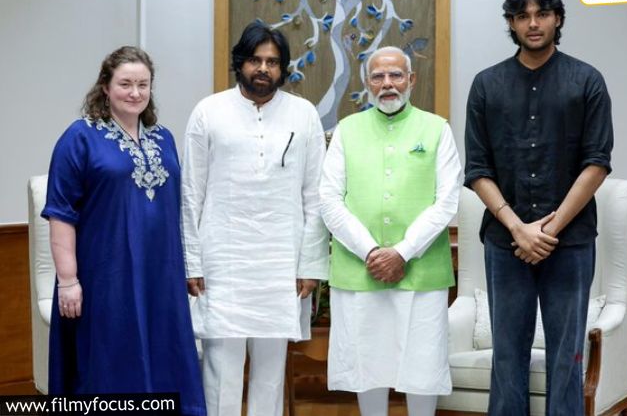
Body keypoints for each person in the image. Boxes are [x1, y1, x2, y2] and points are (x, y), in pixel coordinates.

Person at [464, 0, 614, 415]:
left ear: (557, 18)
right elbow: (477, 169)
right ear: (510, 23)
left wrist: (548, 229)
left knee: (568, 357)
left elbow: (597, 162)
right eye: (522, 16)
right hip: (504, 242)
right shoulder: (486, 85)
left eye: (542, 14)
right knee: (506, 356)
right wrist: (518, 228)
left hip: (570, 243)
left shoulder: (587, 81)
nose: (533, 23)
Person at [42, 46, 206, 415]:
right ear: (105, 87)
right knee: (112, 359)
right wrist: (68, 280)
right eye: (125, 84)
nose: (135, 93)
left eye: (143, 85)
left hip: (160, 276)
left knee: (165, 356)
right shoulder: (79, 138)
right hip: (105, 277)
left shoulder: (163, 138)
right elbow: (60, 214)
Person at [180, 21, 329, 416]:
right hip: (222, 260)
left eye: (272, 62)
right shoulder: (208, 111)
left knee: (270, 372)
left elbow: (315, 195)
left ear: (283, 68)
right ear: (240, 63)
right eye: (255, 60)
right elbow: (191, 193)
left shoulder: (304, 114)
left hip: (280, 262)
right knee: (220, 371)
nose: (263, 69)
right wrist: (192, 261)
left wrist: (310, 264)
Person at [319, 46, 462, 416]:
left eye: (396, 75)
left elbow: (446, 201)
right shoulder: (346, 131)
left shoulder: (437, 129)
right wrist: (371, 251)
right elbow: (329, 200)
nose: (387, 84)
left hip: (421, 272)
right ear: (367, 83)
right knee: (368, 368)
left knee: (422, 368)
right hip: (359, 270)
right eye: (378, 77)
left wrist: (402, 252)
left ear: (411, 80)